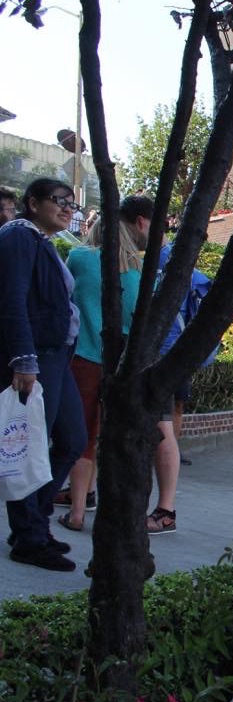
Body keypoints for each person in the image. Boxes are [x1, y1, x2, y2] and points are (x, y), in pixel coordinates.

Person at [0, 178, 87, 571]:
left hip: (57, 357)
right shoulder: (19, 236)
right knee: (30, 447)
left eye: (72, 203)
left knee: (73, 440)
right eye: (59, 201)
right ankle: (30, 537)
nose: (68, 209)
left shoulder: (43, 242)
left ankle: (33, 525)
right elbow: (11, 298)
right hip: (36, 359)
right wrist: (23, 359)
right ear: (32, 203)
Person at [54, 213, 143, 531]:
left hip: (82, 357)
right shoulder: (136, 270)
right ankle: (101, 505)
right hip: (118, 364)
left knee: (81, 438)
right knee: (106, 436)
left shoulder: (78, 257)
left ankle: (77, 511)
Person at [145, 213, 216, 533]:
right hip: (176, 358)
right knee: (168, 421)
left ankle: (164, 509)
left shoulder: (154, 263)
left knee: (161, 428)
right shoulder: (190, 271)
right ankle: (165, 508)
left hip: (159, 357)